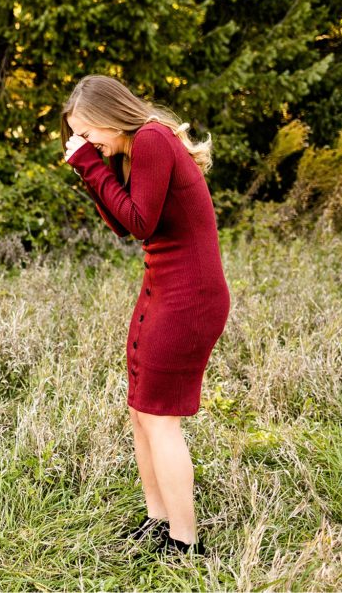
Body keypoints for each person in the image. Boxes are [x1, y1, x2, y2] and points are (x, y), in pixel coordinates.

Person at [62, 75, 230, 555]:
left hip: (189, 295)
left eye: (89, 132)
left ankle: (185, 542)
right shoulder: (137, 148)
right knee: (141, 412)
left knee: (160, 419)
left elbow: (140, 221)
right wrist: (90, 170)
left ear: (110, 115)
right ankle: (158, 522)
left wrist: (90, 166)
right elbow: (123, 224)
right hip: (163, 287)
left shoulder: (153, 139)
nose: (88, 142)